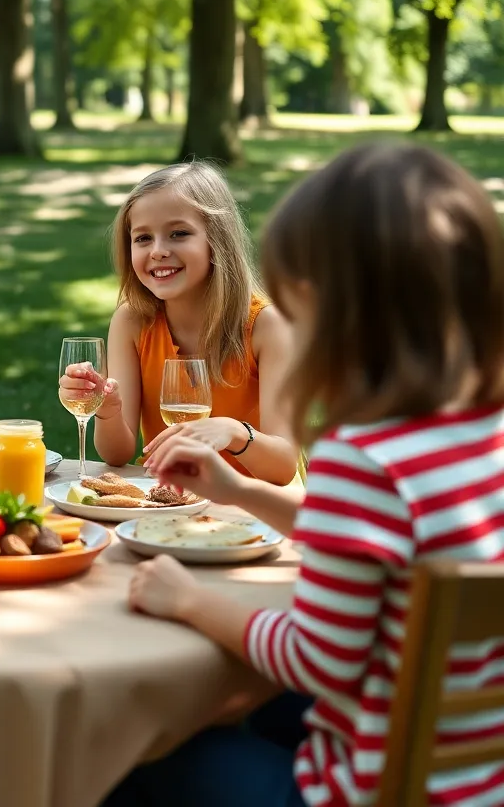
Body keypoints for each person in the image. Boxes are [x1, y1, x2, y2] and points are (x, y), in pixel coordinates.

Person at [110, 143, 504, 807]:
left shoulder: (364, 458)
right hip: (474, 775)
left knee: (130, 747)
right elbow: (376, 539)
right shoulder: (476, 431)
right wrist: (237, 491)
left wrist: (189, 600)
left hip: (366, 788)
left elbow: (315, 658)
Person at [60, 162, 298, 485]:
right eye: (143, 238)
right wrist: (108, 408)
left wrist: (233, 432)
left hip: (249, 502)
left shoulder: (266, 326)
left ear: (217, 240)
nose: (158, 251)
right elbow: (117, 455)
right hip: (168, 498)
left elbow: (283, 466)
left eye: (179, 234)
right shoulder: (132, 322)